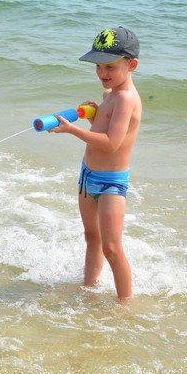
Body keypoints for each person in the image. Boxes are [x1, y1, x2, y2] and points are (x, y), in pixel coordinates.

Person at [52, 27, 143, 301]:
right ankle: (88, 289)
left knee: (112, 247)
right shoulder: (109, 95)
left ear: (132, 65)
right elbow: (105, 130)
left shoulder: (126, 99)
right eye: (98, 66)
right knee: (92, 238)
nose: (103, 73)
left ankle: (125, 304)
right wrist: (93, 118)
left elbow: (111, 143)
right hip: (87, 176)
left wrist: (72, 130)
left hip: (110, 183)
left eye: (111, 67)